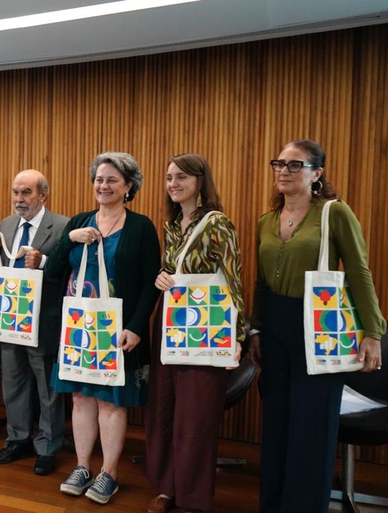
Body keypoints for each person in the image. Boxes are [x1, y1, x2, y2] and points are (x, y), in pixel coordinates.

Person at [248, 139, 385, 513]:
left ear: (317, 174)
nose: (284, 171)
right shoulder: (266, 220)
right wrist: (255, 328)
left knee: (312, 427)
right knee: (277, 425)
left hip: (318, 326)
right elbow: (261, 281)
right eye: (279, 164)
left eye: (296, 165)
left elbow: (358, 272)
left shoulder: (334, 213)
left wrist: (373, 332)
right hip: (274, 327)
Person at [46, 152, 160, 505]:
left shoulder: (141, 227)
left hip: (120, 331)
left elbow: (148, 283)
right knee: (80, 398)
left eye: (112, 180)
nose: (103, 185)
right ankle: (82, 466)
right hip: (80, 329)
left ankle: (109, 473)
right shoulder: (79, 221)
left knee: (111, 401)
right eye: (99, 178)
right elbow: (51, 273)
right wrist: (69, 239)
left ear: (128, 186)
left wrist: (137, 327)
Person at [145, 154, 246, 513]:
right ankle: (166, 488)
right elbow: (171, 272)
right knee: (165, 410)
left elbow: (233, 280)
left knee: (196, 417)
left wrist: (238, 336)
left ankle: (192, 498)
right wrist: (161, 277)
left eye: (181, 177)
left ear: (200, 180)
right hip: (170, 327)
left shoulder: (218, 224)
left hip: (206, 330)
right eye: (169, 177)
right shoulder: (172, 225)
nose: (173, 183)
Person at [0, 169, 69, 476]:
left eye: (26, 193)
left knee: (48, 388)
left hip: (43, 320)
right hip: (10, 320)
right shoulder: (7, 224)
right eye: (15, 192)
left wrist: (43, 264)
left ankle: (47, 446)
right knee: (14, 382)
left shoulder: (61, 226)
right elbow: (1, 270)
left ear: (42, 195)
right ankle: (18, 438)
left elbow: (68, 273)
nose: (18, 199)